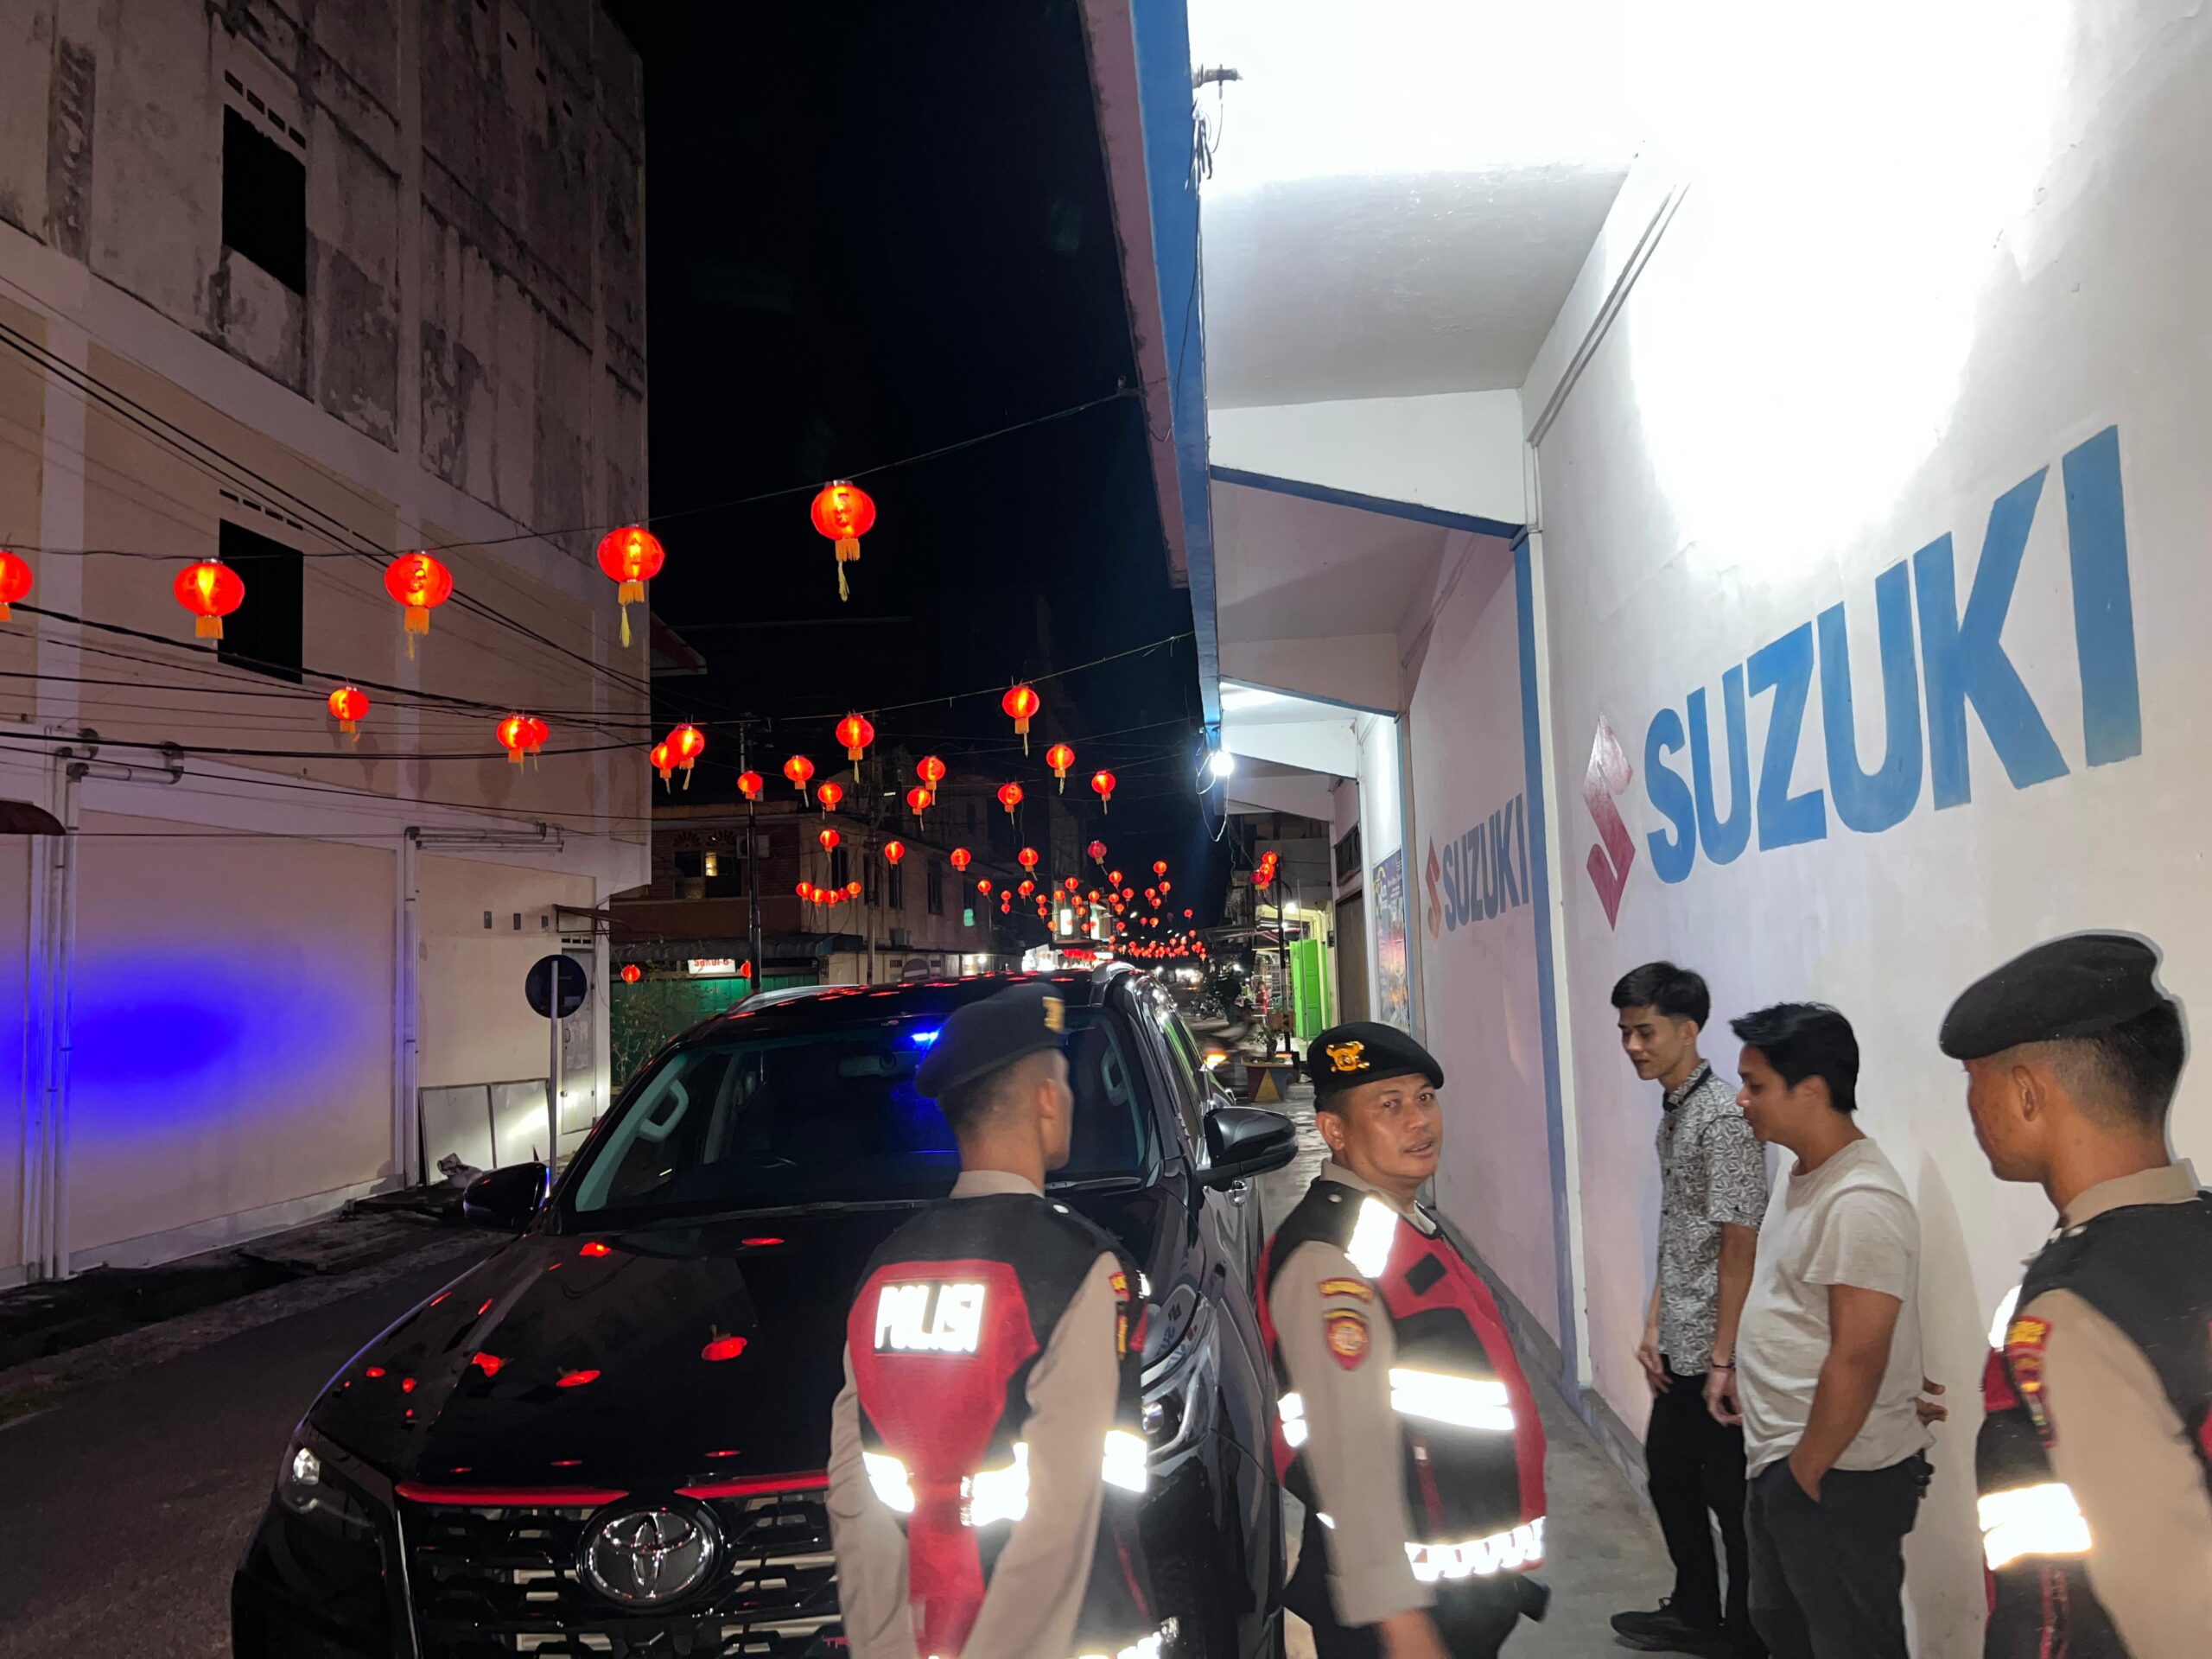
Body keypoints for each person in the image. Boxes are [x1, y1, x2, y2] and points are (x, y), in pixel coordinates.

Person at [826, 984, 1157, 1659]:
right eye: (1064, 1084)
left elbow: (854, 1499)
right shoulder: (1079, 1268)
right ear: (1046, 1100)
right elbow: (1060, 1520)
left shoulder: (885, 1269)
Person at [1941, 931, 2212, 1658]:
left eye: (1974, 1080)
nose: (1971, 1108)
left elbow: (2180, 1620)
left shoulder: (2075, 1312)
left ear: (2026, 1093)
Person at [1260, 1020, 1549, 1659]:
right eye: (1388, 1105)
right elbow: (1347, 1452)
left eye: (1425, 1098)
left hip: (1456, 1592)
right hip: (1404, 1614)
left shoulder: (1399, 1222)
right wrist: (1400, 1621)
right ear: (1334, 1131)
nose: (1419, 1120)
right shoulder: (1332, 1256)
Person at [1725, 1002, 1934, 1659]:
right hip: (1790, 1461)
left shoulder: (1860, 1201)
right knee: (1782, 1625)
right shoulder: (1806, 1173)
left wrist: (1804, 1475)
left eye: (1755, 1085)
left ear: (1811, 1092)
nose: (1742, 1100)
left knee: (1849, 1642)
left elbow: (1859, 1359)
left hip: (1835, 1474)